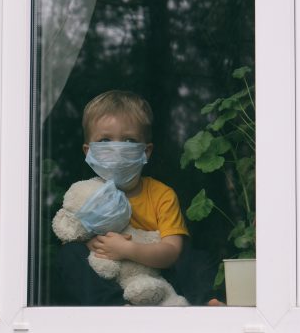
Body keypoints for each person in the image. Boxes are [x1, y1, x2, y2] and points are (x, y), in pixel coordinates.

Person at [53, 90, 216, 305]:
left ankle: (206, 306)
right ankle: (118, 311)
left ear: (146, 151)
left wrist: (128, 250)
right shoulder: (85, 194)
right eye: (104, 140)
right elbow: (72, 233)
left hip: (155, 282)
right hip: (108, 282)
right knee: (70, 255)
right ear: (88, 151)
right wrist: (93, 244)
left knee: (198, 259)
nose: (117, 148)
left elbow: (172, 252)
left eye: (129, 140)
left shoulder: (161, 195)